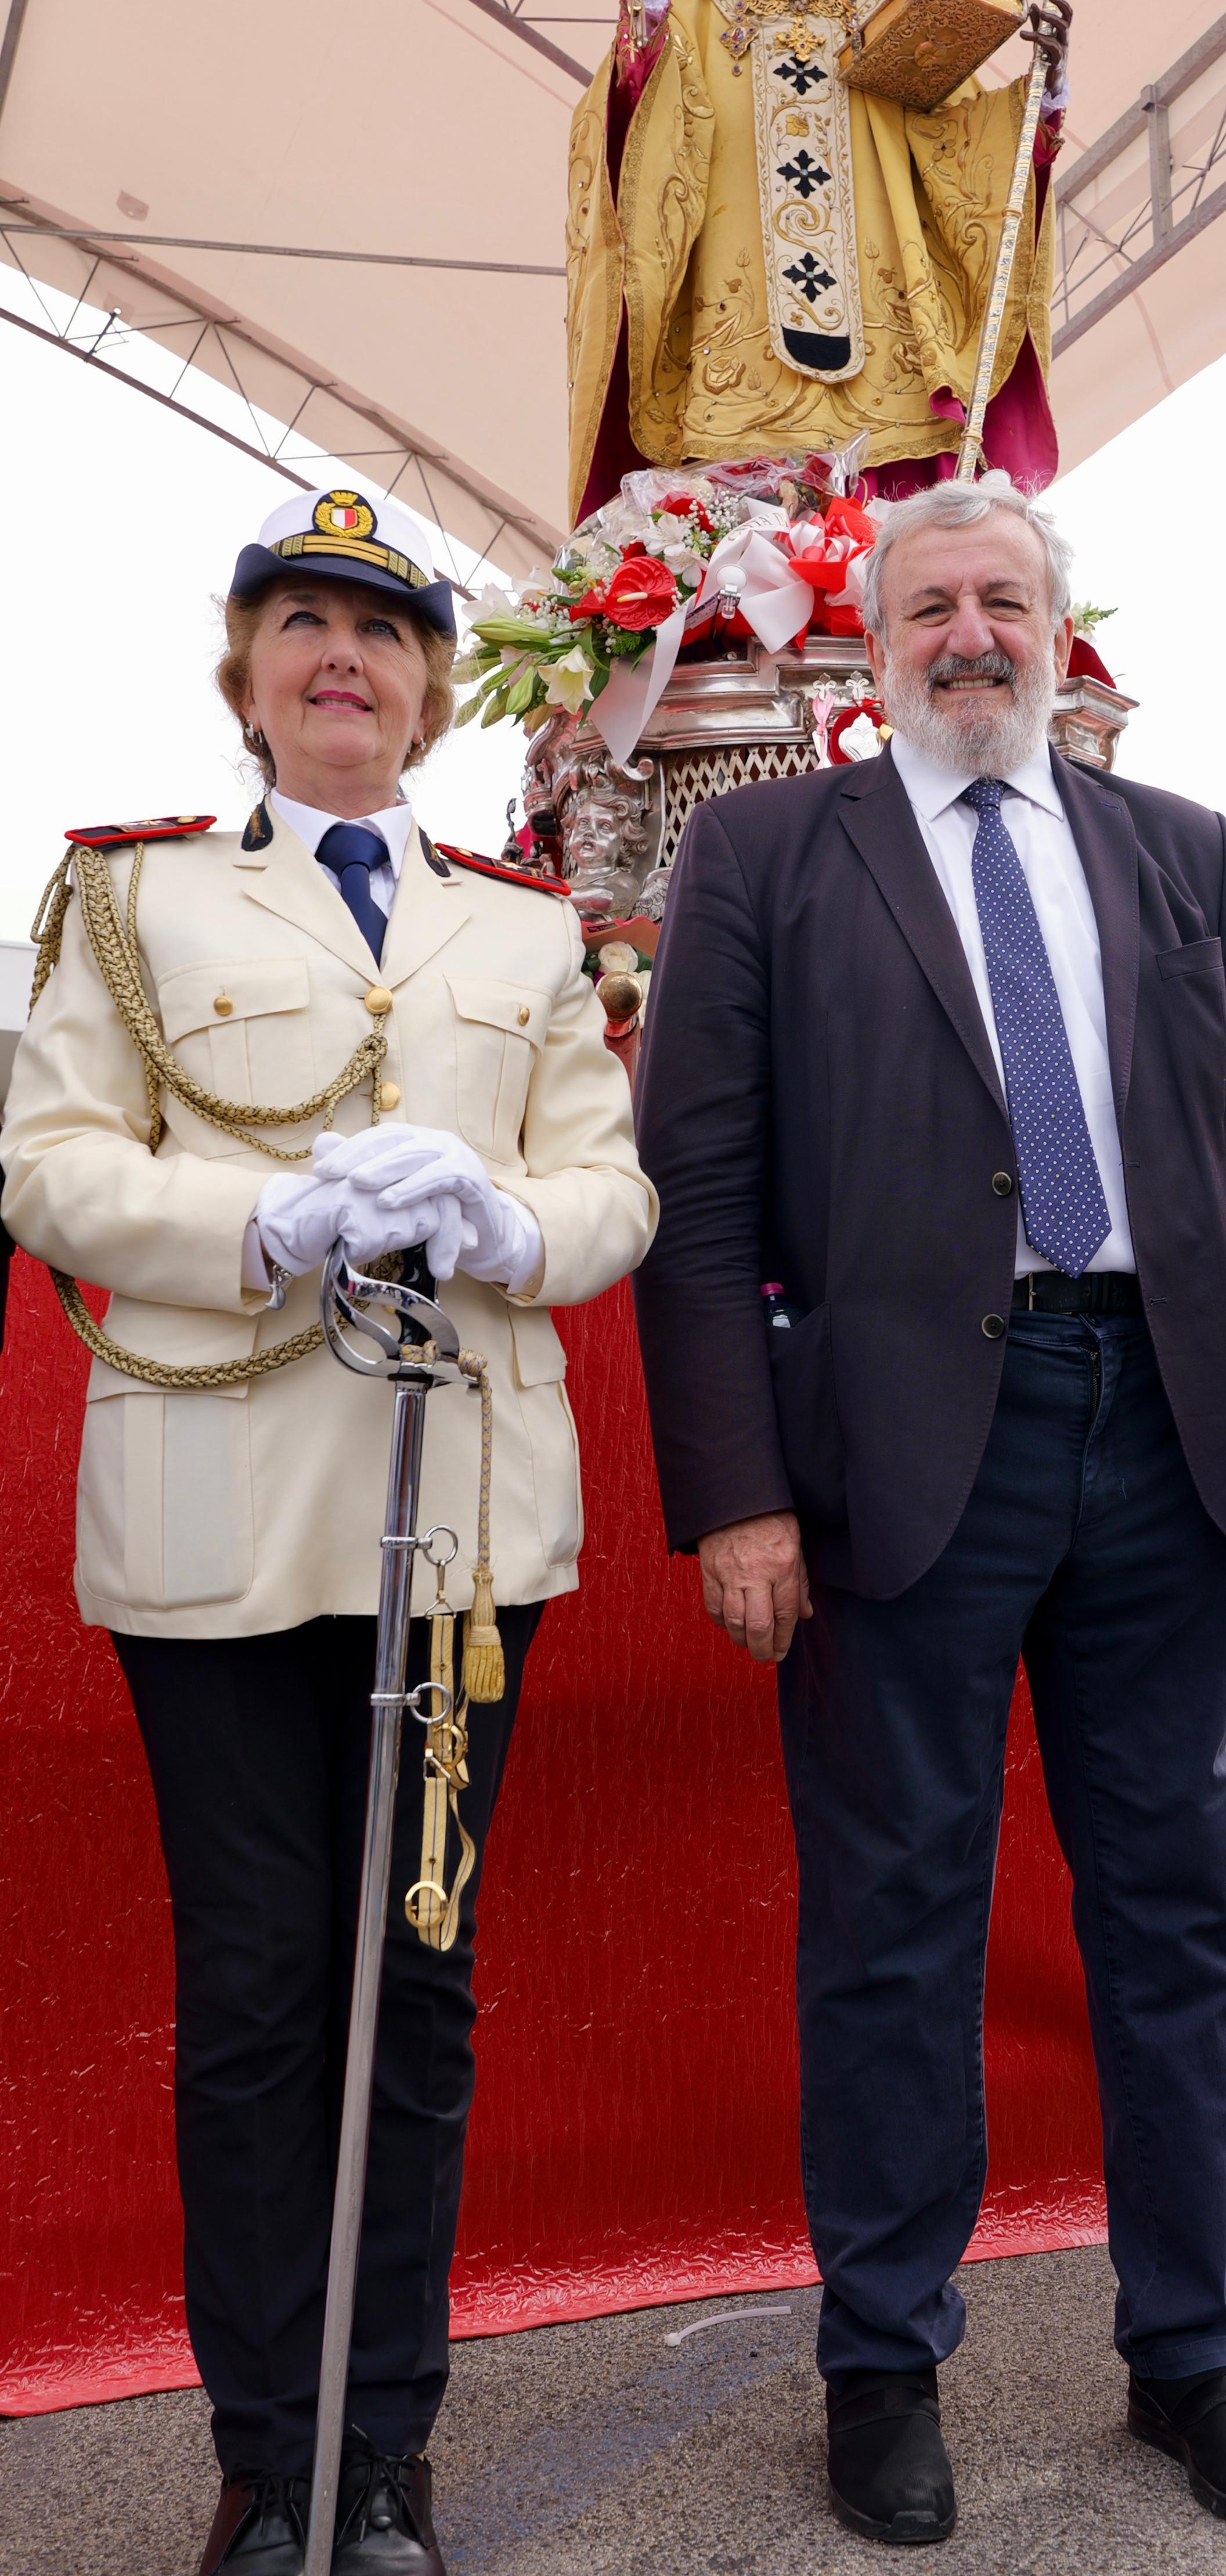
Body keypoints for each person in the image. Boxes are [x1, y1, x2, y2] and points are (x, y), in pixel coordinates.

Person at [634, 474, 1226, 2543]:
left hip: (1161, 1431)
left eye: (1002, 600)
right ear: (868, 642)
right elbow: (699, 1210)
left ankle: (1189, 2352)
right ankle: (881, 2364)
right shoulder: (765, 853)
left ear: (1055, 626)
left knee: (1175, 1917)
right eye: (929, 603)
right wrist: (736, 1495)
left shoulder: (1178, 851)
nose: (969, 634)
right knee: (891, 1923)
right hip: (898, 1454)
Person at [1, 480, 656, 2576]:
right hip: (222, 1523)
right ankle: (268, 2459)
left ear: (436, 691)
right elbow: (50, 1163)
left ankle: (388, 2450)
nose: (338, 659)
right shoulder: (133, 897)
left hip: (459, 1531)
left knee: (422, 1984)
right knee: (266, 1991)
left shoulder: (528, 925)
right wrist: (257, 1219)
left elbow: (612, 1191)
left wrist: (510, 1218)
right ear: (249, 678)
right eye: (297, 627)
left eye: (376, 633)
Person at [569, 0, 1069, 526]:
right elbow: (635, 135)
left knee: (892, 530)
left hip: (884, 332)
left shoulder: (889, 12)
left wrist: (1043, 91)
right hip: (739, 341)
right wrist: (644, 0)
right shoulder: (697, 9)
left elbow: (963, 153)